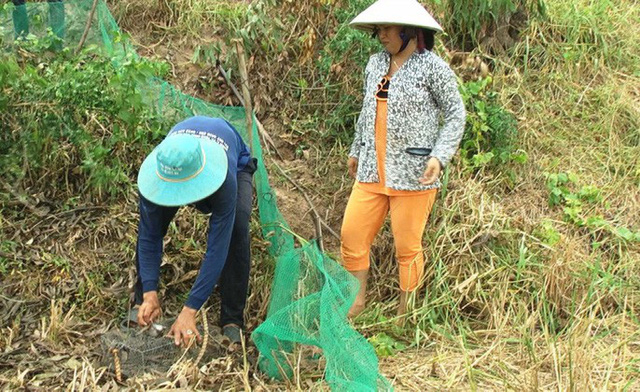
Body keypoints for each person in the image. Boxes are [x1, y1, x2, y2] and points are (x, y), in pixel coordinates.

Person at [341, 0, 466, 319]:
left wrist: (440, 156)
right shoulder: (375, 64)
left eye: (387, 28)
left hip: (414, 174)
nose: (381, 34)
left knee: (407, 249)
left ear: (409, 31)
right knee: (352, 237)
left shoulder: (432, 67)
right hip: (371, 171)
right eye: (379, 28)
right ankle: (356, 303)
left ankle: (404, 315)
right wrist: (357, 149)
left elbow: (455, 114)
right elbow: (367, 110)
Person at [133, 116, 256, 346]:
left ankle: (232, 320)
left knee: (237, 228)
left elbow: (218, 246)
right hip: (179, 161)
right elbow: (149, 237)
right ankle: (144, 300)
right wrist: (150, 289)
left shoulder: (225, 178)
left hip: (234, 162)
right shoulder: (159, 168)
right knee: (150, 225)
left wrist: (190, 309)